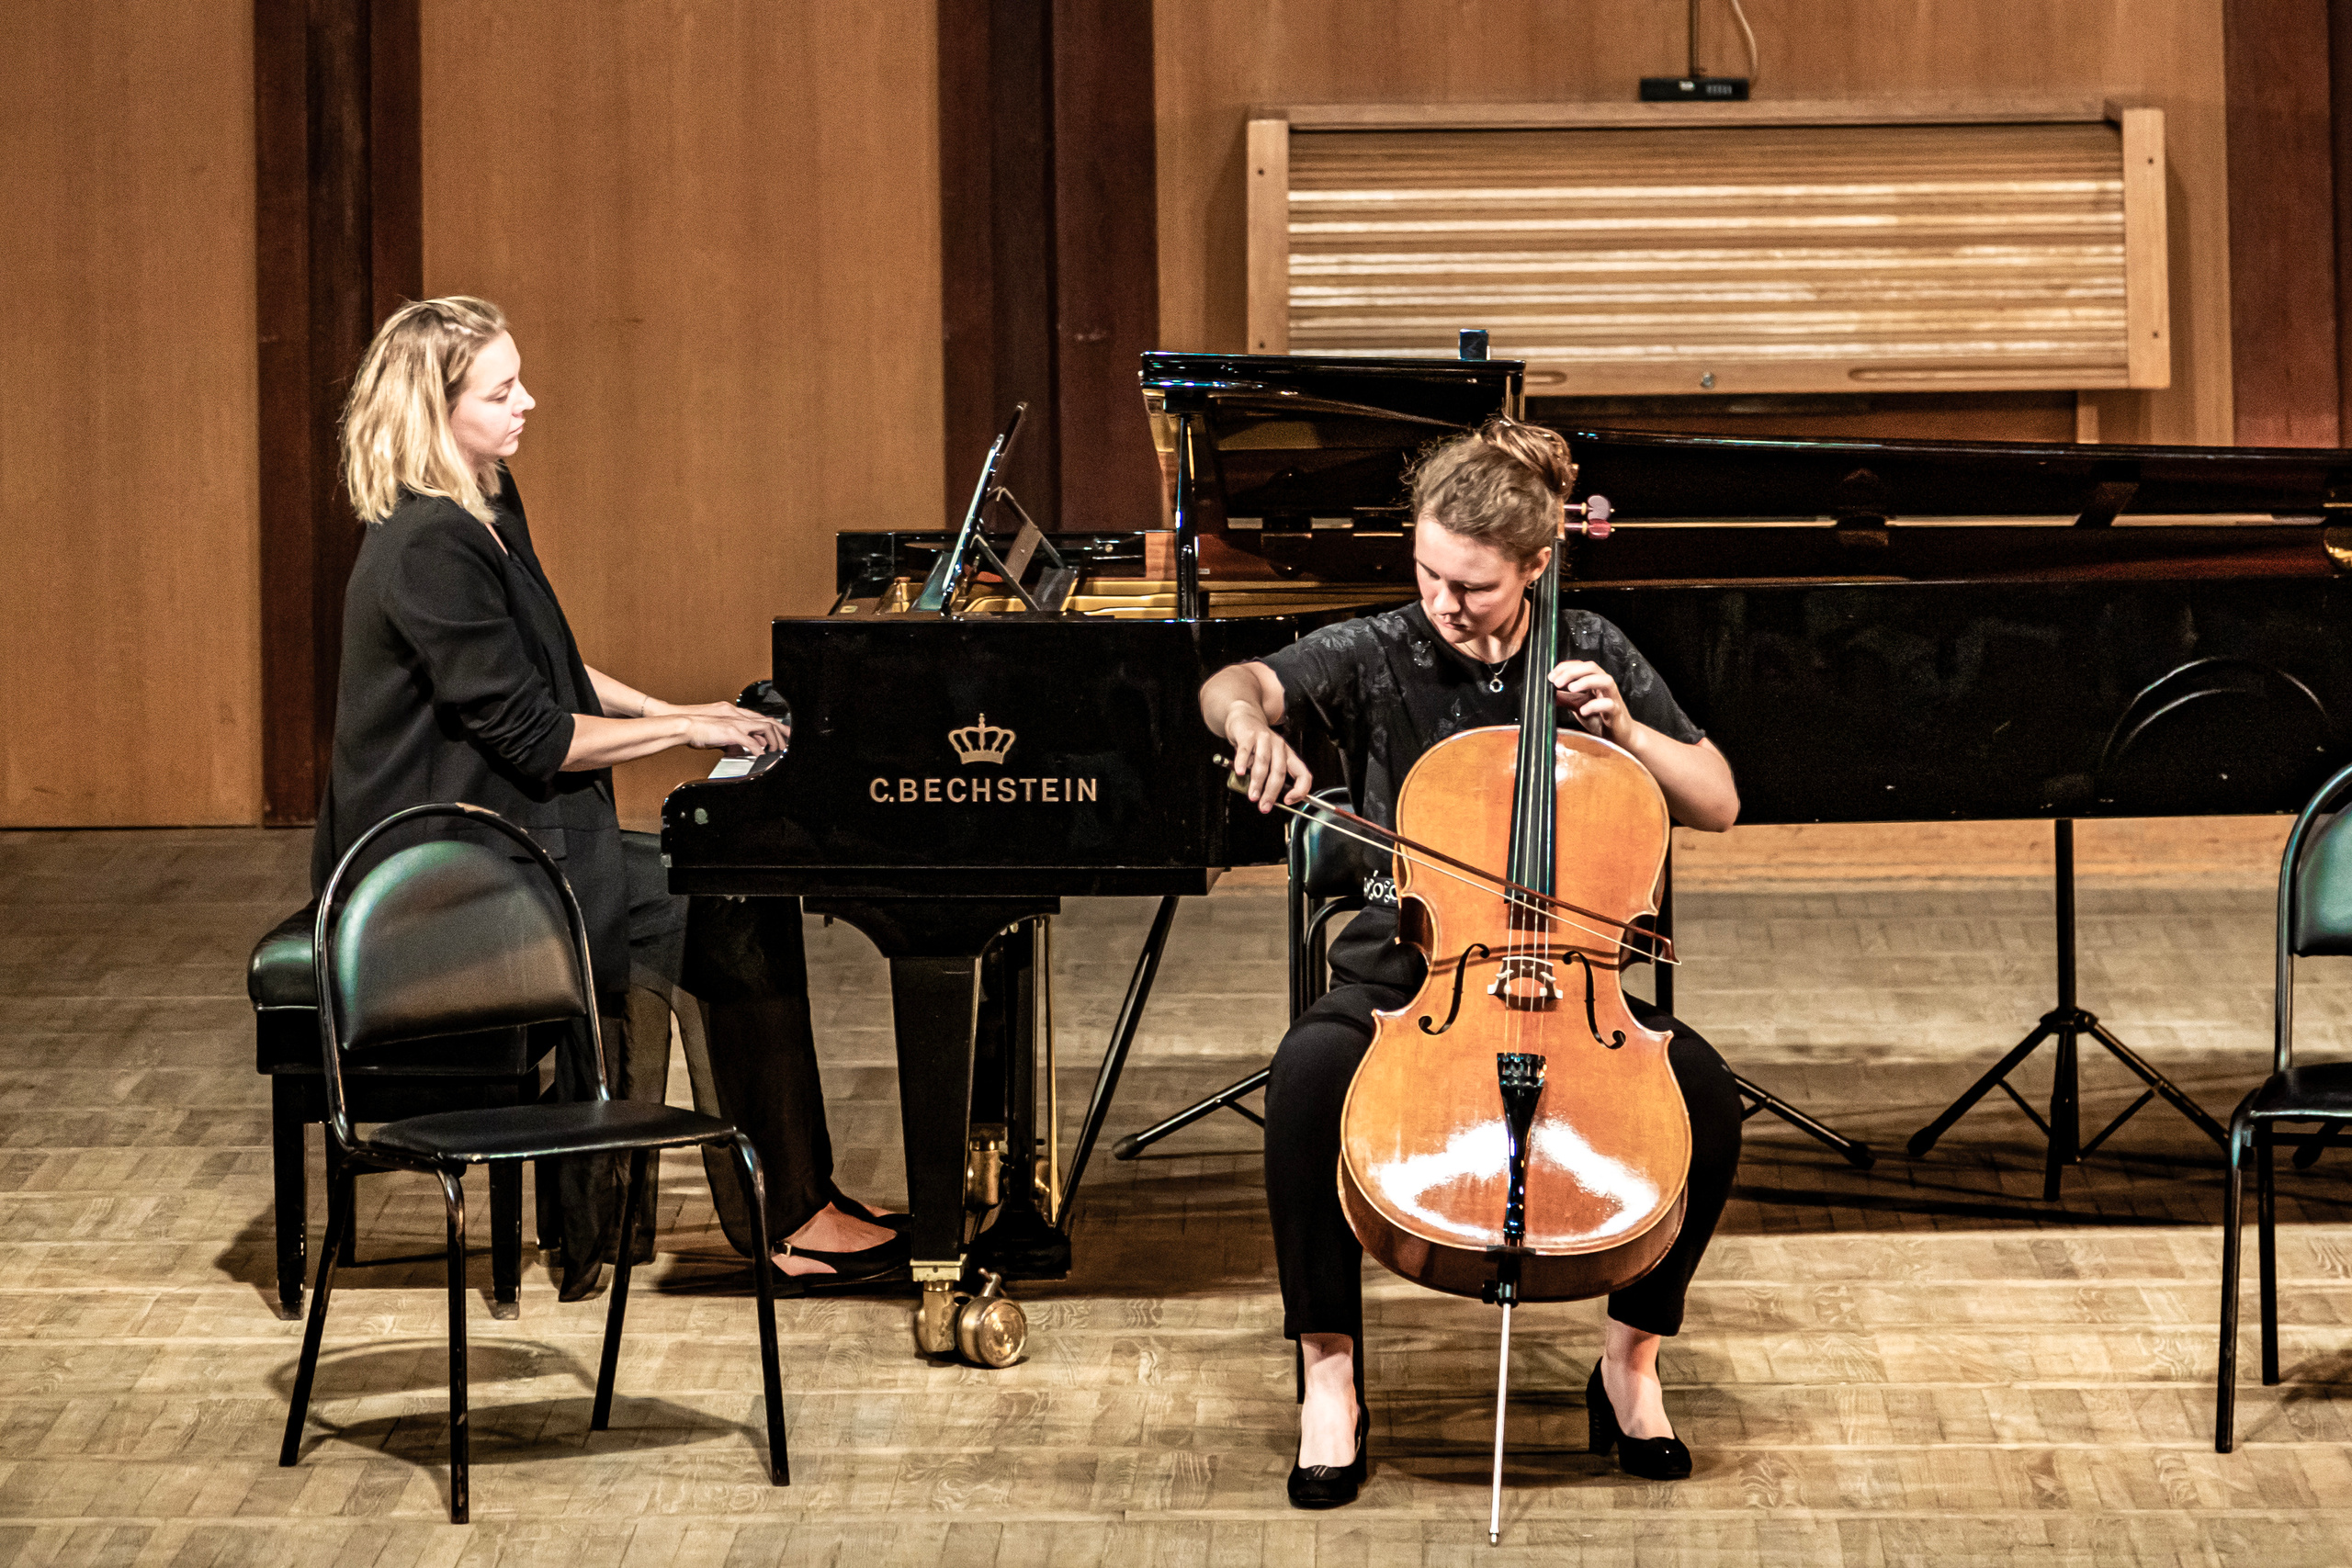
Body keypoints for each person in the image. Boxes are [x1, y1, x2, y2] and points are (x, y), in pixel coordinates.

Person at [1198, 418, 1745, 1507]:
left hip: (1569, 977)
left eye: (1476, 586)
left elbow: (1718, 800)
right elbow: (1236, 682)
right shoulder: (1378, 649)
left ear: (1536, 565)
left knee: (1709, 1100)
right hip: (1411, 974)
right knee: (1306, 1077)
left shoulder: (1592, 647)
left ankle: (1629, 1364)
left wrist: (1627, 734)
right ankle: (1329, 1375)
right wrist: (1249, 728)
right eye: (1429, 572)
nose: (1446, 602)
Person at [313, 295, 903, 1299]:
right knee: (715, 906)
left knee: (732, 890)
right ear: (433, 410)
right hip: (435, 881)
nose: (527, 402)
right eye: (501, 391)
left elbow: (552, 669)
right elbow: (541, 738)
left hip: (505, 843)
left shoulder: (487, 504)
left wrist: (685, 705)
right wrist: (684, 731)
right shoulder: (426, 547)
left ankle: (772, 1204)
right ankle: (784, 1217)